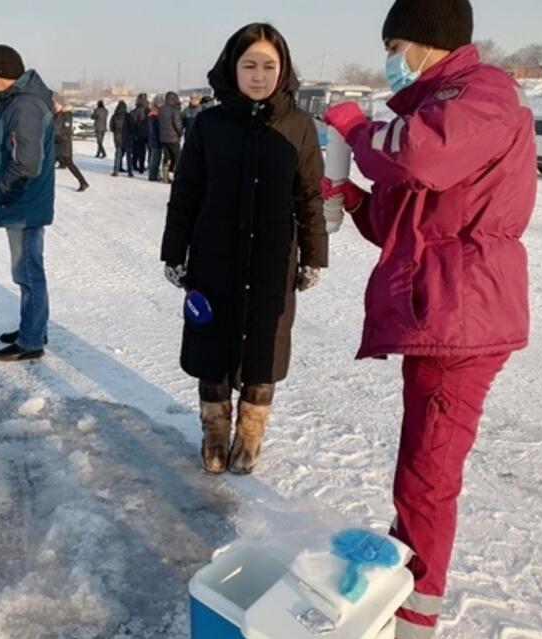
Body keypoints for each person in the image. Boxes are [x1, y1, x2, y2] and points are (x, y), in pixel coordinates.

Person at [321, 1, 536, 636]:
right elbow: (398, 223)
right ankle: (408, 574)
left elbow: (419, 158)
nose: (390, 59)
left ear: (426, 41)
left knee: (427, 475)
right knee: (420, 466)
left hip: (463, 313)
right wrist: (351, 197)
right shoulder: (433, 106)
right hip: (440, 310)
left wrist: (358, 130)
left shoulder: (483, 95)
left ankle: (416, 615)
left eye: (394, 45)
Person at [160, 23, 328, 475]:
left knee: (263, 348)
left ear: (283, 70)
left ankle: (250, 437)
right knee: (211, 343)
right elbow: (187, 192)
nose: (258, 76)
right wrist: (174, 251)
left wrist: (313, 256)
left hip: (272, 259)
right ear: (231, 69)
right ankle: (215, 434)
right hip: (214, 253)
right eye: (249, 65)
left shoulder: (299, 125)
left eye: (268, 66)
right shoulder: (209, 125)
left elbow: (310, 195)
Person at [0, 45, 55, 362]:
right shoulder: (18, 101)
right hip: (22, 203)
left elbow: (26, 163)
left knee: (28, 273)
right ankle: (34, 327)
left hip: (22, 203)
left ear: (0, 74)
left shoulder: (23, 106)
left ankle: (31, 341)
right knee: (28, 272)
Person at [53, 101, 89, 192]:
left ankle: (83, 182)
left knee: (69, 163)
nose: (55, 106)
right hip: (56, 144)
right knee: (48, 163)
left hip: (64, 144)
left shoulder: (67, 115)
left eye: (57, 104)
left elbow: (66, 131)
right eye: (55, 105)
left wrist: (56, 136)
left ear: (62, 105)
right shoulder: (55, 114)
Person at [157, 91, 183, 179]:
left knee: (166, 157)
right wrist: (180, 133)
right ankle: (177, 175)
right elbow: (177, 124)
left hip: (163, 138)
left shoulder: (161, 109)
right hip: (173, 138)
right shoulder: (174, 110)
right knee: (177, 157)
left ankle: (165, 176)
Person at [109, 100, 135, 177]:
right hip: (128, 139)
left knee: (118, 155)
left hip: (118, 139)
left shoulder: (114, 116)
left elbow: (111, 128)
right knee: (128, 156)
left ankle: (115, 171)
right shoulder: (128, 116)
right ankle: (130, 172)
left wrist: (116, 132)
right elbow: (132, 127)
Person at [131, 93, 150, 173]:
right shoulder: (148, 110)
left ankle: (134, 164)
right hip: (147, 133)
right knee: (144, 151)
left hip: (138, 133)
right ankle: (142, 167)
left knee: (136, 150)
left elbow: (133, 122)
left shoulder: (136, 110)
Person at [147, 101, 162, 182]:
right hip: (156, 140)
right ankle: (153, 176)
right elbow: (156, 129)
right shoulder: (154, 117)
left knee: (153, 157)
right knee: (155, 158)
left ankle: (153, 174)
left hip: (152, 139)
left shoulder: (150, 116)